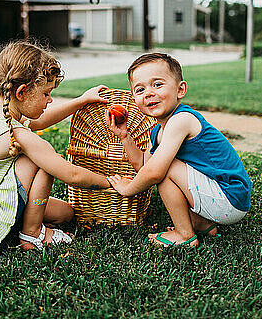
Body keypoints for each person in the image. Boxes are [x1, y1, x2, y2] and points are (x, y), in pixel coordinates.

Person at [0, 40, 113, 252]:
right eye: (46, 93)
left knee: (66, 213)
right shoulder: (17, 135)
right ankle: (31, 234)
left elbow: (40, 121)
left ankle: (25, 221)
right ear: (21, 93)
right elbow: (72, 175)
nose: (50, 100)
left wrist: (81, 101)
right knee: (44, 160)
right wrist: (112, 182)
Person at [106, 53, 251, 247]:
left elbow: (154, 172)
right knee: (159, 164)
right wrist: (124, 136)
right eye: (140, 89)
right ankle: (202, 224)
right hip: (222, 199)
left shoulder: (182, 120)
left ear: (180, 89)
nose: (148, 92)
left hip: (230, 197)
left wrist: (128, 189)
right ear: (134, 100)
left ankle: (185, 236)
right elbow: (142, 165)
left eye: (157, 84)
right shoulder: (158, 130)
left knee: (163, 168)